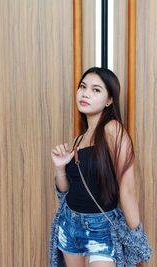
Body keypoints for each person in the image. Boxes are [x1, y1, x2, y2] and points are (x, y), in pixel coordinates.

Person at [50, 67, 140, 267]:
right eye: (83, 87)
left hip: (102, 229)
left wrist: (136, 240)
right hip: (69, 226)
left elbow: (127, 189)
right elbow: (65, 192)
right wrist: (60, 168)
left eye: (96, 90)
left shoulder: (112, 129)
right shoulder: (77, 141)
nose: (85, 93)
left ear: (109, 100)